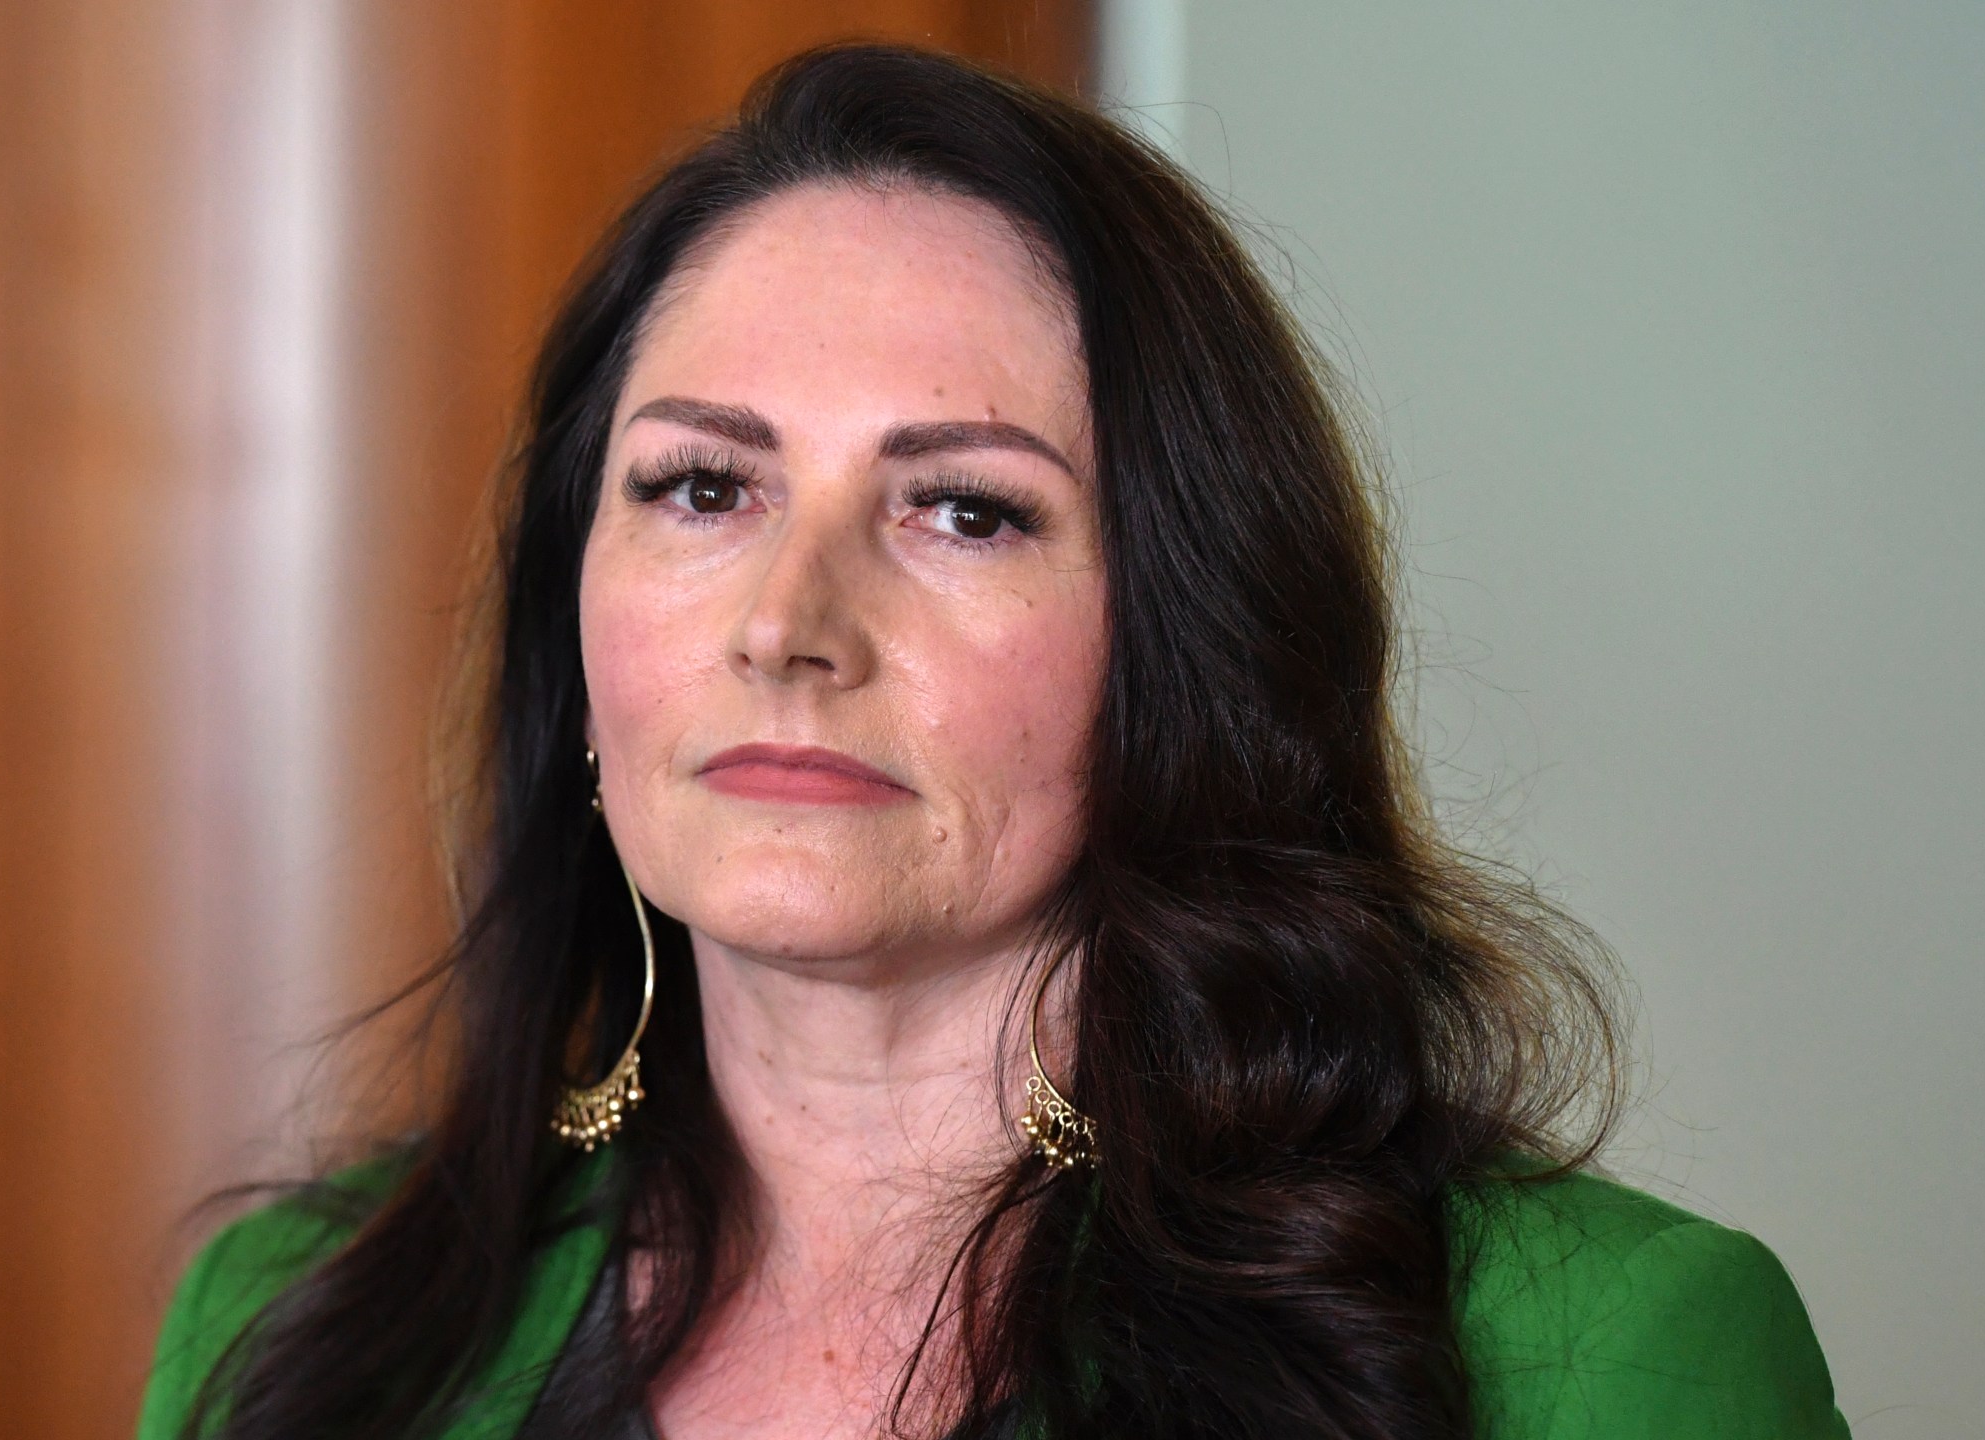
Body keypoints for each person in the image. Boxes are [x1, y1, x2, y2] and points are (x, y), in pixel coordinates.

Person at [137, 43, 1848, 1440]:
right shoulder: (299, 1329)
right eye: (702, 488)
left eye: (963, 509)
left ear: (1186, 645)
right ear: (572, 633)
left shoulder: (1616, 1358)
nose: (789, 624)